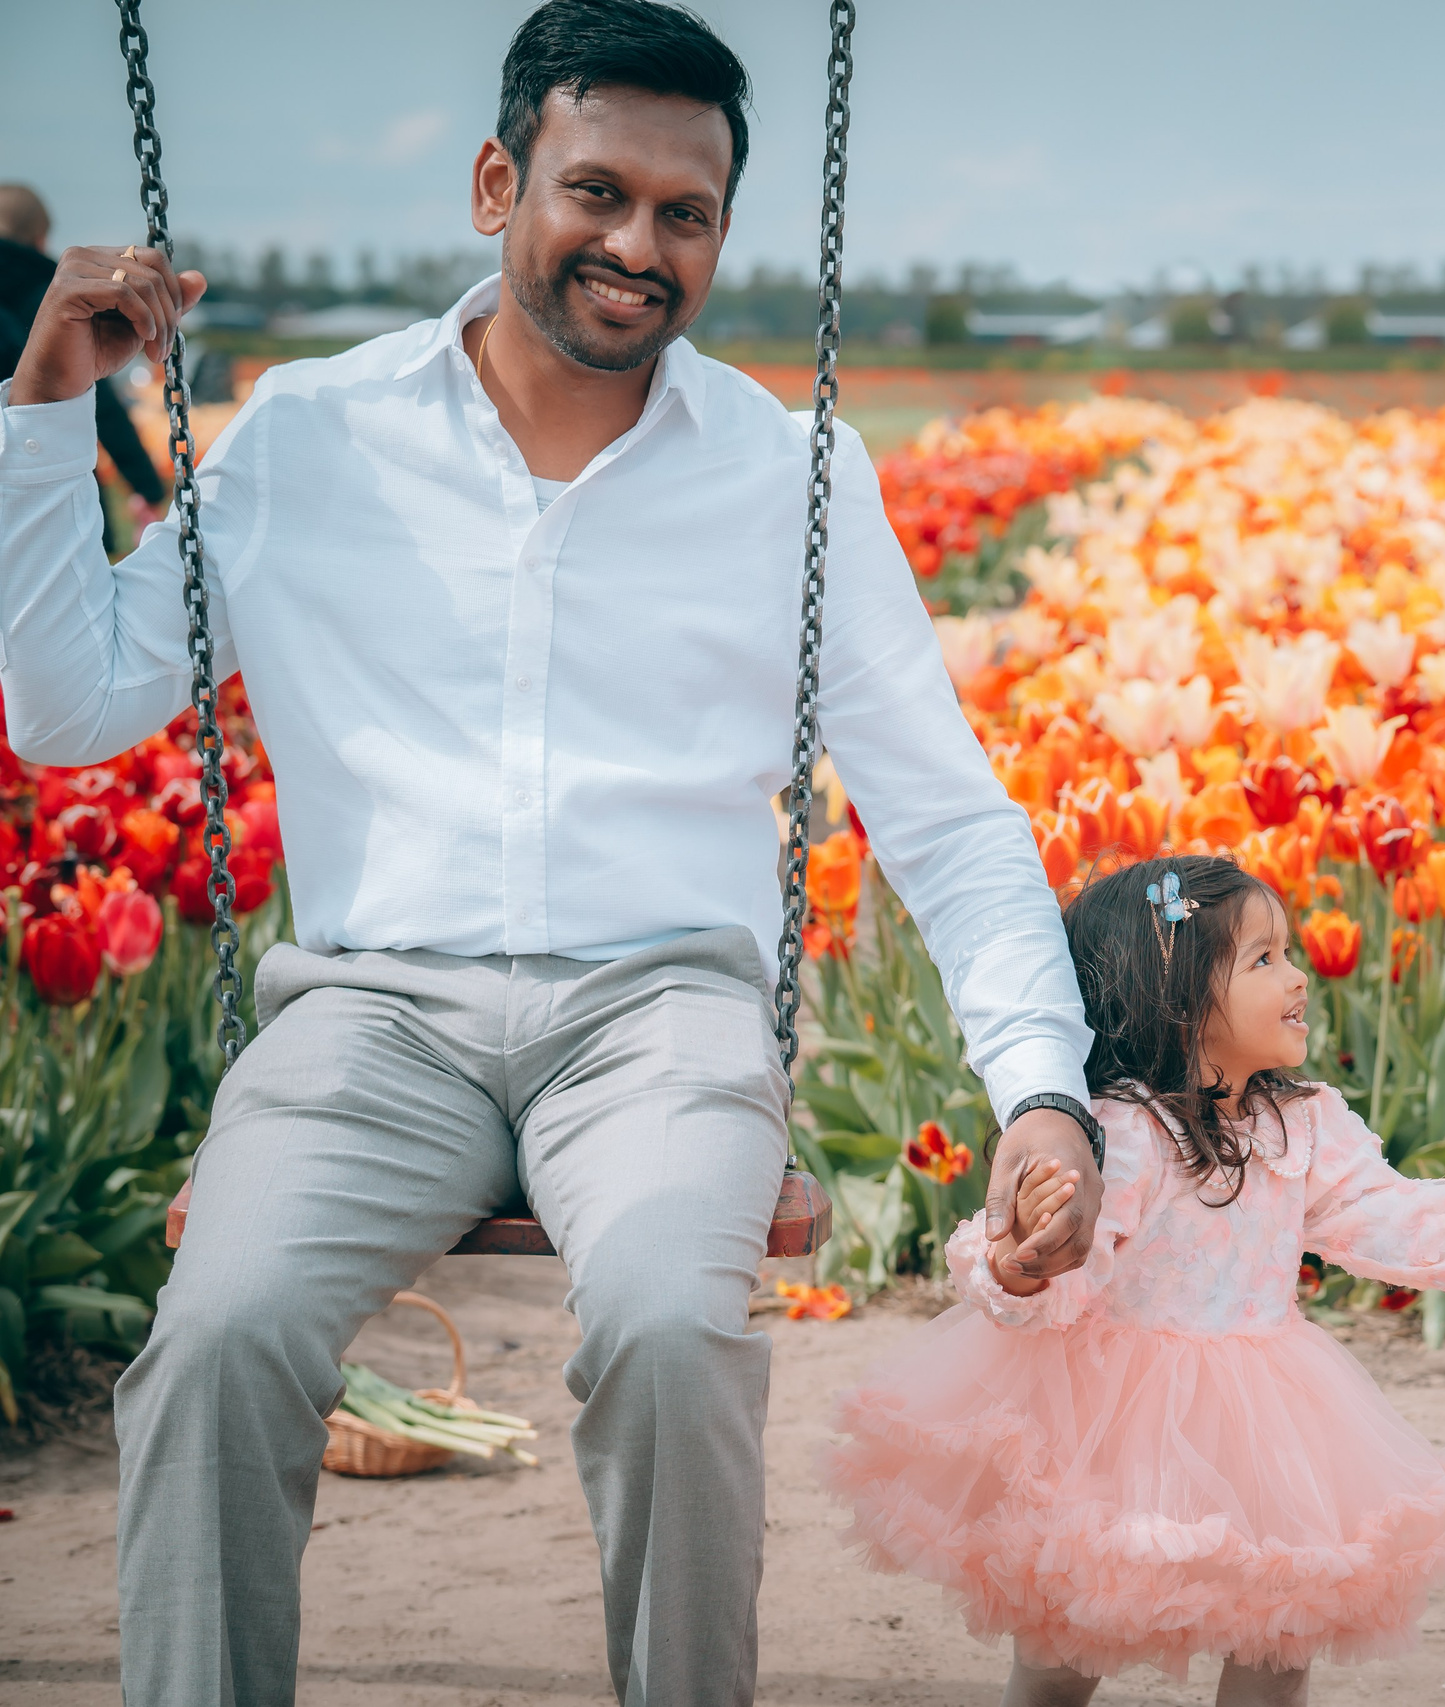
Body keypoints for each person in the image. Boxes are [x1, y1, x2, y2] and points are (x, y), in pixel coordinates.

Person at [0, 3, 1107, 1702]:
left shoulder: (790, 476)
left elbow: (949, 819)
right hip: (367, 1014)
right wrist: (44, 415)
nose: (638, 247)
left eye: (687, 214)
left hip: (659, 1015)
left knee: (675, 1333)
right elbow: (74, 710)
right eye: (598, 192)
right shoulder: (312, 436)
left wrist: (1042, 1086)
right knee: (215, 1339)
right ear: (496, 181)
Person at [822, 856, 1445, 1707]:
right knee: (1067, 1638)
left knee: (1283, 1616)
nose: (1299, 977)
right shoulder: (1121, 1133)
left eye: (1289, 953)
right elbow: (1071, 1271)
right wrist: (1021, 1267)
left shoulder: (1302, 1120)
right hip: (1113, 1420)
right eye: (1264, 959)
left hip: (1268, 1422)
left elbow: (1381, 1210)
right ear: (1174, 993)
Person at [0, 183, 170, 553]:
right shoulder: (51, 300)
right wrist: (146, 484)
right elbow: (102, 407)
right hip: (54, 483)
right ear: (40, 238)